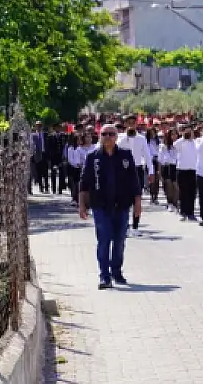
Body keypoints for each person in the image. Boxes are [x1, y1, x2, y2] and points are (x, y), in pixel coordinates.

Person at [79, 124, 142, 290]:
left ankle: (116, 271)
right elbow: (84, 183)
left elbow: (134, 182)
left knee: (120, 240)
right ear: (99, 136)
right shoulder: (93, 157)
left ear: (116, 136)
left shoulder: (126, 156)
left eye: (111, 134)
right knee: (104, 240)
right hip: (101, 206)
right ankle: (104, 276)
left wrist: (137, 203)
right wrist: (82, 205)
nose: (108, 136)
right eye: (104, 133)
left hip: (121, 206)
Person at [118, 116, 153, 237]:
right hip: (123, 171)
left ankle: (135, 227)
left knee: (137, 199)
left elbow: (147, 155)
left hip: (137, 170)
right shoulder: (120, 138)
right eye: (129, 123)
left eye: (133, 123)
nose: (131, 125)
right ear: (125, 124)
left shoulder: (141, 138)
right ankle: (125, 226)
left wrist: (151, 171)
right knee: (124, 200)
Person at [174, 126, 199, 222]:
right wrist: (183, 137)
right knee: (183, 192)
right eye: (186, 131)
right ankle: (183, 212)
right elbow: (175, 145)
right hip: (182, 170)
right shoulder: (180, 142)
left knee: (192, 192)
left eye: (190, 131)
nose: (189, 133)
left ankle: (191, 213)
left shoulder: (195, 142)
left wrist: (192, 137)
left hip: (192, 170)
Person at [158, 131, 179, 213]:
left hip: (176, 167)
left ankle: (175, 203)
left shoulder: (179, 144)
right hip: (167, 166)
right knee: (169, 186)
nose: (174, 136)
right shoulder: (163, 146)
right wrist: (159, 172)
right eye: (172, 134)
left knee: (176, 186)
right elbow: (160, 160)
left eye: (175, 134)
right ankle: (170, 203)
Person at [65, 133, 82, 206]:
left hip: (79, 168)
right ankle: (73, 198)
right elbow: (70, 160)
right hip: (72, 168)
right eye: (78, 139)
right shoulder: (70, 149)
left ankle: (78, 199)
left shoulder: (80, 148)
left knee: (79, 184)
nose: (79, 141)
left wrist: (80, 164)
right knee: (73, 184)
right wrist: (76, 164)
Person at [146, 129, 161, 204]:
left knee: (157, 180)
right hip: (150, 161)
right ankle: (152, 196)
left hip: (157, 160)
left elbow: (160, 152)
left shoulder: (158, 142)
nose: (152, 135)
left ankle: (156, 196)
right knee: (152, 179)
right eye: (151, 133)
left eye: (154, 133)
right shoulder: (146, 142)